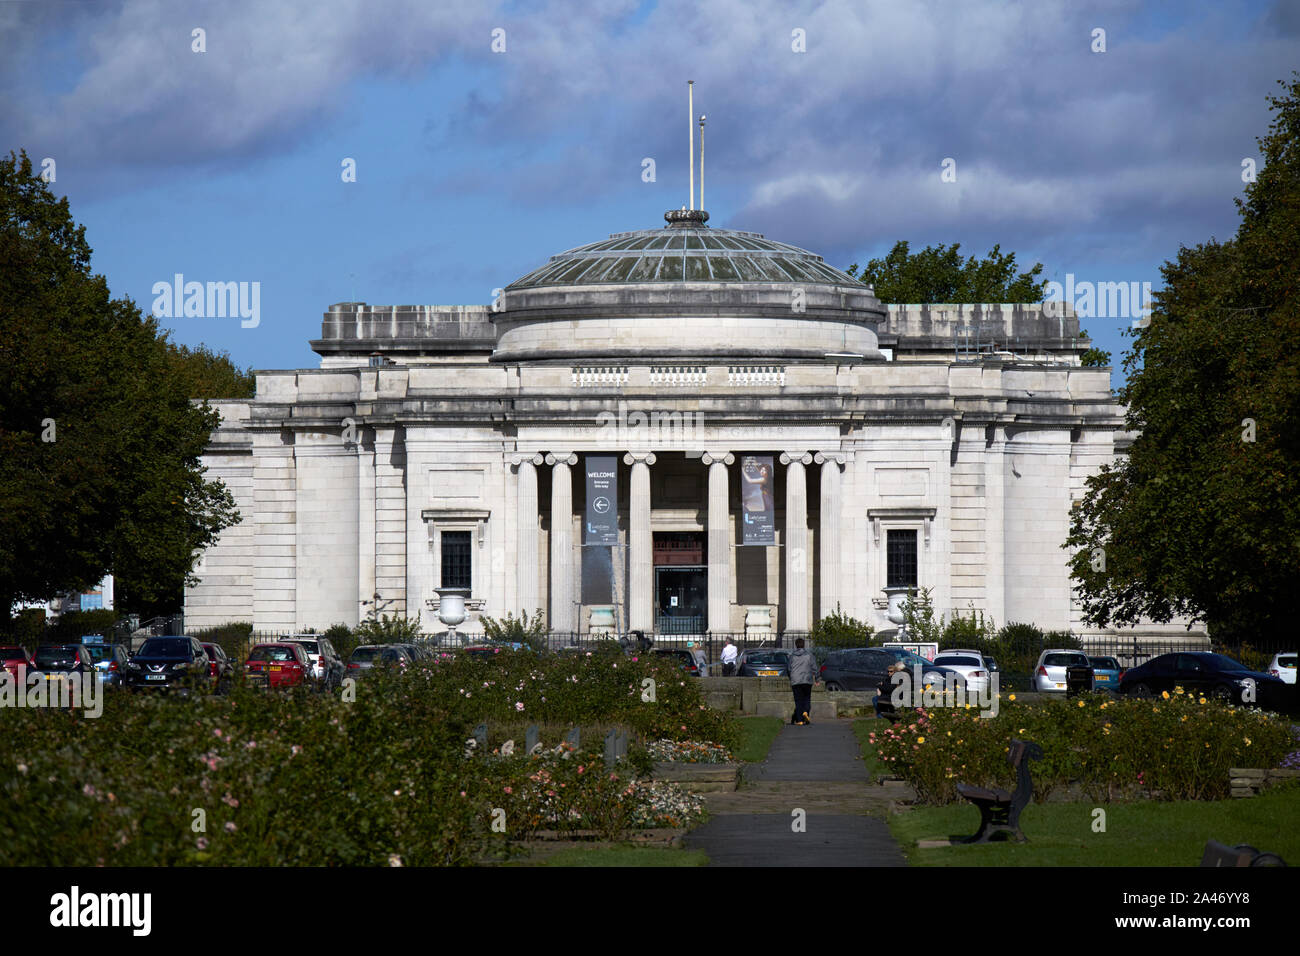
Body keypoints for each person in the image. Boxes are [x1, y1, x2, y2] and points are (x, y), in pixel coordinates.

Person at [787, 637, 819, 725]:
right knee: (807, 698)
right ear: (804, 645)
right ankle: (806, 712)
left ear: (796, 645)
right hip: (807, 680)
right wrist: (817, 678)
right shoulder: (809, 655)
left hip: (796, 680)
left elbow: (789, 669)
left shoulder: (792, 656)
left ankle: (800, 720)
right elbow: (814, 668)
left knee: (798, 700)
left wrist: (791, 677)